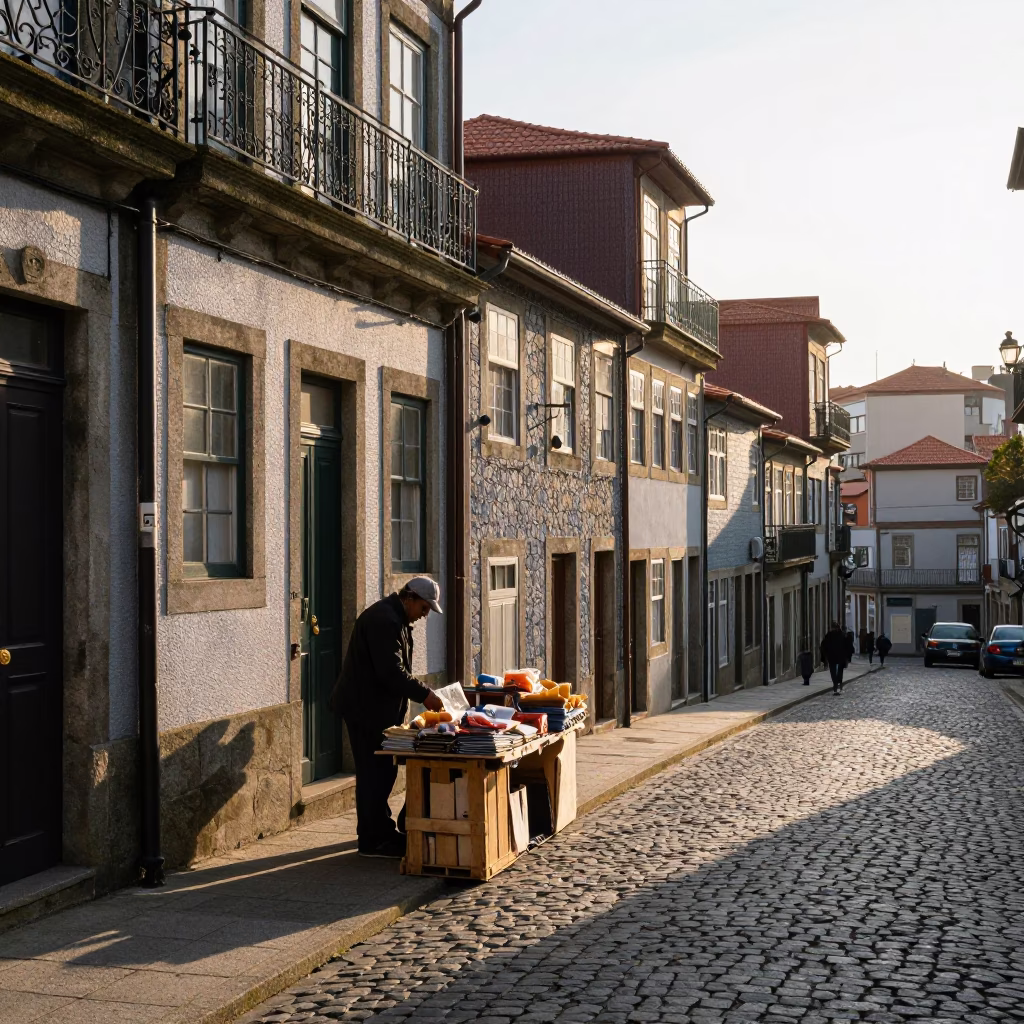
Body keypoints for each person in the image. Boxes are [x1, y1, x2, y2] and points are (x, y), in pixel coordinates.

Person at [331, 577, 444, 859]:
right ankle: (372, 839)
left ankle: (380, 829)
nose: (425, 613)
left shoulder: (397, 619)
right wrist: (425, 695)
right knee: (373, 773)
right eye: (424, 607)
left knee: (383, 771)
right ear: (410, 598)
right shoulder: (385, 620)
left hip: (376, 709)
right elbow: (390, 672)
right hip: (364, 709)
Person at [820, 622, 849, 695]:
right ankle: (838, 684)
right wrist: (847, 657)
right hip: (840, 657)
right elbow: (847, 647)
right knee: (839, 671)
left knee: (834, 672)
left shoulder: (829, 636)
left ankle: (836, 685)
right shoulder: (842, 635)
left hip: (832, 657)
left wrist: (825, 656)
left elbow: (823, 646)